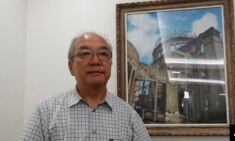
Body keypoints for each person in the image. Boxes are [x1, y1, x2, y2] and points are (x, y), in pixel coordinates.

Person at [19, 32, 151, 141]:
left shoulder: (129, 116)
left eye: (103, 54)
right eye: (85, 53)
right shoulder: (45, 113)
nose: (95, 61)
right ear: (71, 67)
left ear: (110, 64)